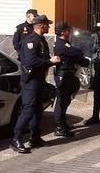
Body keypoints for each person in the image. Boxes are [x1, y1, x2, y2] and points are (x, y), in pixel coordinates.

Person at [10, 15, 60, 154]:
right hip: (31, 81)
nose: (49, 27)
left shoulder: (41, 39)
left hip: (39, 80)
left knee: (38, 109)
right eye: (47, 25)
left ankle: (35, 137)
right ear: (41, 26)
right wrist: (50, 61)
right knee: (28, 110)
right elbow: (32, 62)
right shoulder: (30, 41)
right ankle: (16, 138)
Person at [53, 22, 89, 137]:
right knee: (61, 102)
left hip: (68, 76)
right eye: (68, 30)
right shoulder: (61, 44)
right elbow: (75, 52)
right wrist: (80, 53)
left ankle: (63, 123)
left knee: (66, 101)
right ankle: (59, 127)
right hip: (63, 77)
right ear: (63, 32)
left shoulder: (65, 43)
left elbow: (74, 56)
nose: (70, 32)